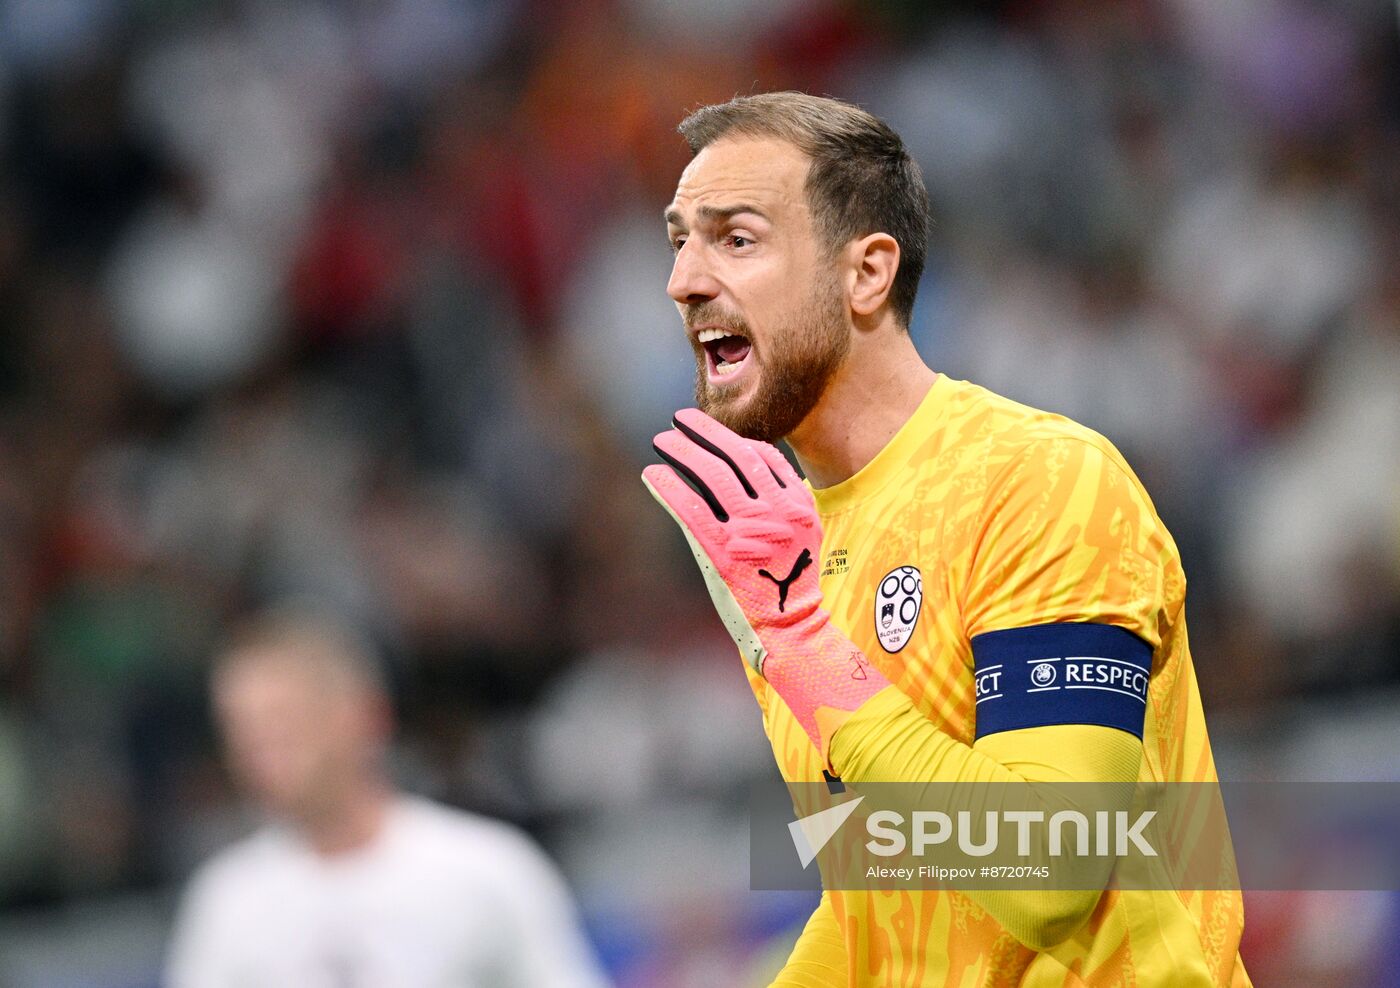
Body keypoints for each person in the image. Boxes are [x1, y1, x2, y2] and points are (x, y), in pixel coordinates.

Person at [644, 92, 1249, 986]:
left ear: (867, 274)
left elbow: (1051, 870)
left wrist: (805, 647)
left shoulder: (1037, 480)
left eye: (736, 238)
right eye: (679, 241)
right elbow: (876, 897)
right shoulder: (786, 554)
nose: (684, 280)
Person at [166, 610, 610, 988]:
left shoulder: (485, 870)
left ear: (366, 716)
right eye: (241, 729)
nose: (258, 750)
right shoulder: (227, 902)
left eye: (283, 722)